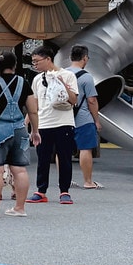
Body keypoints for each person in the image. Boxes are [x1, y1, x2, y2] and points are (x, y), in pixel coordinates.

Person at [0, 52, 40, 218]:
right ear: (15, 64)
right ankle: (19, 208)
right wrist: (35, 130)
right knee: (19, 170)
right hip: (19, 129)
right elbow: (32, 109)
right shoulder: (23, 82)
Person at [26, 44, 78, 205]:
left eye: (37, 61)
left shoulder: (68, 75)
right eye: (33, 62)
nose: (35, 64)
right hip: (43, 123)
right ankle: (41, 191)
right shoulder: (37, 79)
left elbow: (74, 100)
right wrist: (27, 123)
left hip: (64, 122)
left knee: (64, 157)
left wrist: (62, 83)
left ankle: (64, 191)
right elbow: (34, 104)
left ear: (48, 59)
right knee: (42, 158)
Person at [67, 45, 102, 189]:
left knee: (63, 149)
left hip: (64, 117)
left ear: (70, 57)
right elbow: (91, 100)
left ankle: (65, 180)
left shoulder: (61, 73)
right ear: (85, 58)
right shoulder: (86, 77)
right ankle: (88, 181)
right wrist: (97, 120)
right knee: (85, 148)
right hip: (83, 118)